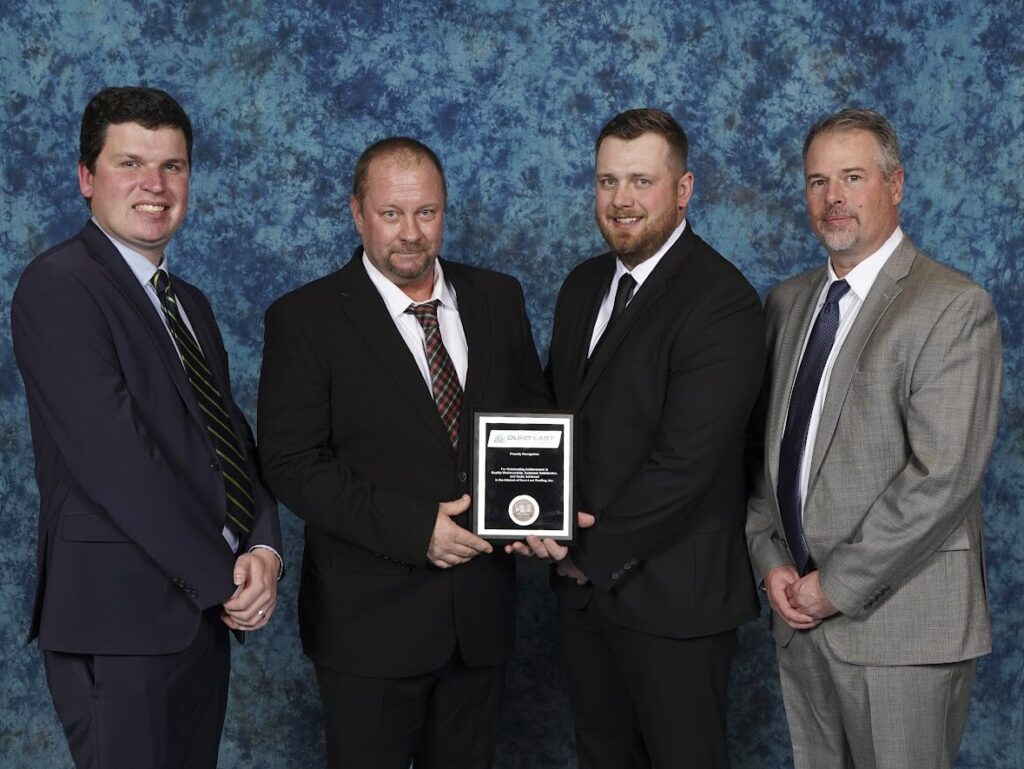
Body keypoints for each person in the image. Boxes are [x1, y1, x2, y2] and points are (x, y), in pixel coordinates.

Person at [10, 86, 283, 769]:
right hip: (119, 618)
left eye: (173, 166)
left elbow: (232, 443)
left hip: (197, 616)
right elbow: (117, 461)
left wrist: (265, 550)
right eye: (130, 163)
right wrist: (223, 575)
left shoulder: (188, 302)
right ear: (86, 177)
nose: (154, 186)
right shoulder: (59, 285)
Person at [257, 136, 548, 769]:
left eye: (427, 213)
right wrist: (417, 529)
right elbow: (291, 464)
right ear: (358, 213)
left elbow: (531, 424)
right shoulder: (305, 320)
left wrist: (541, 511)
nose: (410, 233)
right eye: (391, 214)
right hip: (369, 628)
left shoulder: (499, 298)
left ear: (445, 211)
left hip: (480, 618)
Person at [745, 108, 1001, 769]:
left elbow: (941, 477)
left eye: (852, 177)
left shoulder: (950, 305)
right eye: (817, 181)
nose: (833, 198)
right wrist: (768, 555)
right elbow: (762, 455)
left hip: (902, 627)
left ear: (896, 184)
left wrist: (836, 584)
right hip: (797, 615)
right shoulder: (785, 303)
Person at [512, 108, 766, 768]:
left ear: (683, 189)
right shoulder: (582, 285)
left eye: (641, 181)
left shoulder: (722, 300)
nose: (621, 201)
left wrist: (582, 550)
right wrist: (525, 509)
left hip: (674, 601)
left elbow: (686, 462)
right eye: (606, 181)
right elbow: (551, 417)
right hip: (583, 599)